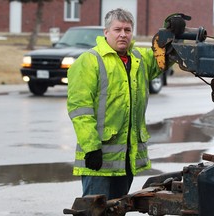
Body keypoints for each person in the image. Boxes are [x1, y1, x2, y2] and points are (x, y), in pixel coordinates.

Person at [67, 8, 163, 200]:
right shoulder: (89, 61)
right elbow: (80, 109)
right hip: (99, 158)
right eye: (117, 29)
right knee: (95, 211)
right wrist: (91, 147)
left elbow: (164, 56)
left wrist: (170, 32)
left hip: (126, 159)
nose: (123, 34)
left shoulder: (139, 59)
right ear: (105, 32)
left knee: (118, 209)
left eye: (127, 30)